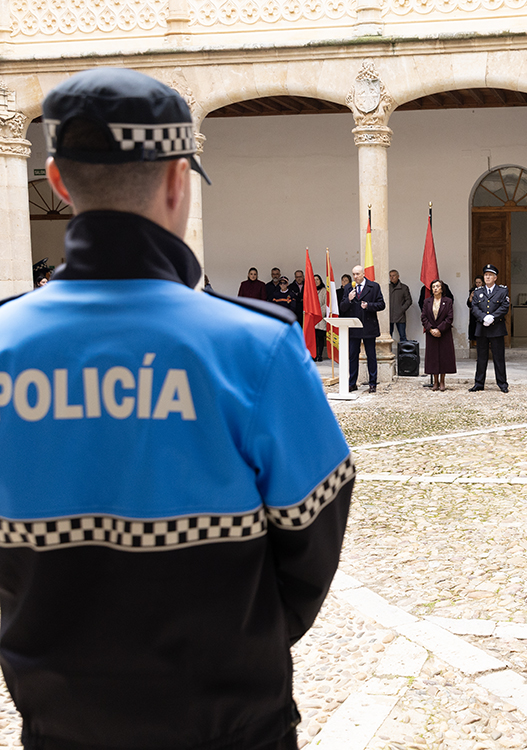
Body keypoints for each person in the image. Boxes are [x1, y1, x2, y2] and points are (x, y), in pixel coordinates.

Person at [0, 68, 353, 750]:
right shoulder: (257, 347)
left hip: (62, 726)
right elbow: (312, 538)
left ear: (58, 181)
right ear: (177, 182)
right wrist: (245, 638)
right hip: (229, 724)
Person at [342, 264, 385, 393]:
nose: (355, 277)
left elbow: (381, 304)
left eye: (358, 274)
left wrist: (369, 305)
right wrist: (348, 300)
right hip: (354, 326)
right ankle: (352, 383)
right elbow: (342, 308)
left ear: (363, 274)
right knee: (353, 356)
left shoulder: (374, 286)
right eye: (353, 274)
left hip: (368, 326)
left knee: (371, 355)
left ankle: (373, 383)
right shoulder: (349, 288)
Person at [469, 264, 509, 393]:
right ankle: (479, 383)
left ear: (495, 278)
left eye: (490, 275)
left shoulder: (502, 291)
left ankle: (502, 383)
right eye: (486, 275)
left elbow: (504, 306)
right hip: (482, 328)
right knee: (481, 357)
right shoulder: (478, 291)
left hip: (496, 328)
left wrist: (493, 317)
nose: (487, 277)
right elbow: (474, 306)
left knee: (499, 357)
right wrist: (483, 318)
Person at [421, 279, 456, 391]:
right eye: (433, 287)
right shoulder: (427, 301)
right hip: (431, 334)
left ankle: (442, 381)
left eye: (437, 286)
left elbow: (449, 318)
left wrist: (439, 329)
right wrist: (431, 329)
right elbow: (423, 317)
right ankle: (435, 382)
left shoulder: (448, 301)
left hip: (444, 333)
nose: (435, 288)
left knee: (444, 357)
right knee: (433, 358)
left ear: (442, 289)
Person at [388, 269, 412, 342]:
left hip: (400, 316)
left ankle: (403, 353)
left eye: (394, 276)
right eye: (390, 276)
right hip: (388, 316)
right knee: (388, 337)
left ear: (398, 276)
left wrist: (401, 309)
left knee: (402, 336)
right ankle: (388, 352)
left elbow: (409, 300)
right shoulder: (386, 287)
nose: (392, 278)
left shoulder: (404, 288)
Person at [314, 273, 328, 361]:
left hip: (321, 318)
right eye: (314, 280)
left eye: (317, 279)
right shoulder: (310, 290)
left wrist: (319, 313)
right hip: (313, 318)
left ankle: (320, 355)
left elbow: (326, 304)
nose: (316, 281)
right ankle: (314, 355)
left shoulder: (324, 291)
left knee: (320, 337)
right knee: (313, 338)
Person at [467, 275, 484, 346]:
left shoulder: (485, 290)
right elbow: (469, 304)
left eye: (479, 282)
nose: (478, 284)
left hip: (483, 313)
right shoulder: (473, 290)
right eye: (476, 282)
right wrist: (471, 297)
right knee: (474, 330)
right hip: (474, 314)